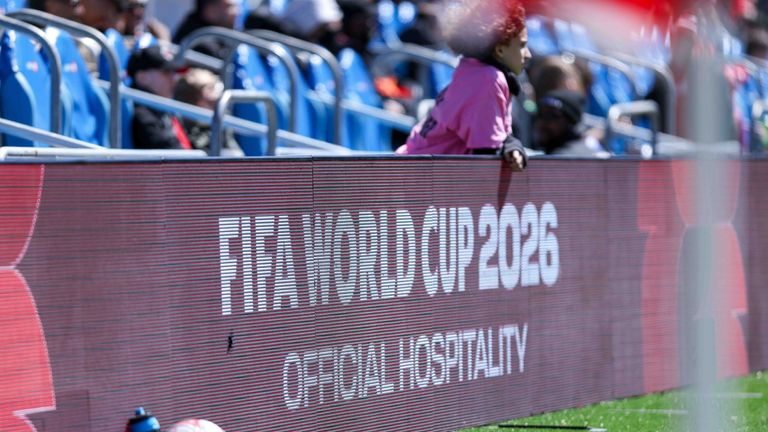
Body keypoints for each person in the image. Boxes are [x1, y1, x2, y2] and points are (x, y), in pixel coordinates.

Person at [397, 0, 530, 171]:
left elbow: (497, 138)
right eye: (522, 45)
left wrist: (512, 145)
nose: (529, 54)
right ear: (500, 49)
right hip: (419, 179)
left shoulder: (473, 68)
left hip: (418, 172)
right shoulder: (488, 79)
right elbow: (486, 156)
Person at [127, 45, 192, 150]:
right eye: (166, 72)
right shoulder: (142, 116)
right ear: (142, 77)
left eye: (174, 72)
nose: (174, 78)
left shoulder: (161, 108)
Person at [173, 68, 242, 155]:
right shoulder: (180, 124)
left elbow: (235, 154)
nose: (218, 92)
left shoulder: (221, 117)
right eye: (211, 87)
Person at [533, 90, 608, 157]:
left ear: (570, 121)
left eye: (552, 115)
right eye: (540, 114)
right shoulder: (546, 152)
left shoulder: (566, 156)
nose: (542, 122)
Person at [173, 0, 240, 59]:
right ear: (211, 10)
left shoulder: (222, 32)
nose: (236, 12)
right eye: (229, 6)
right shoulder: (198, 42)